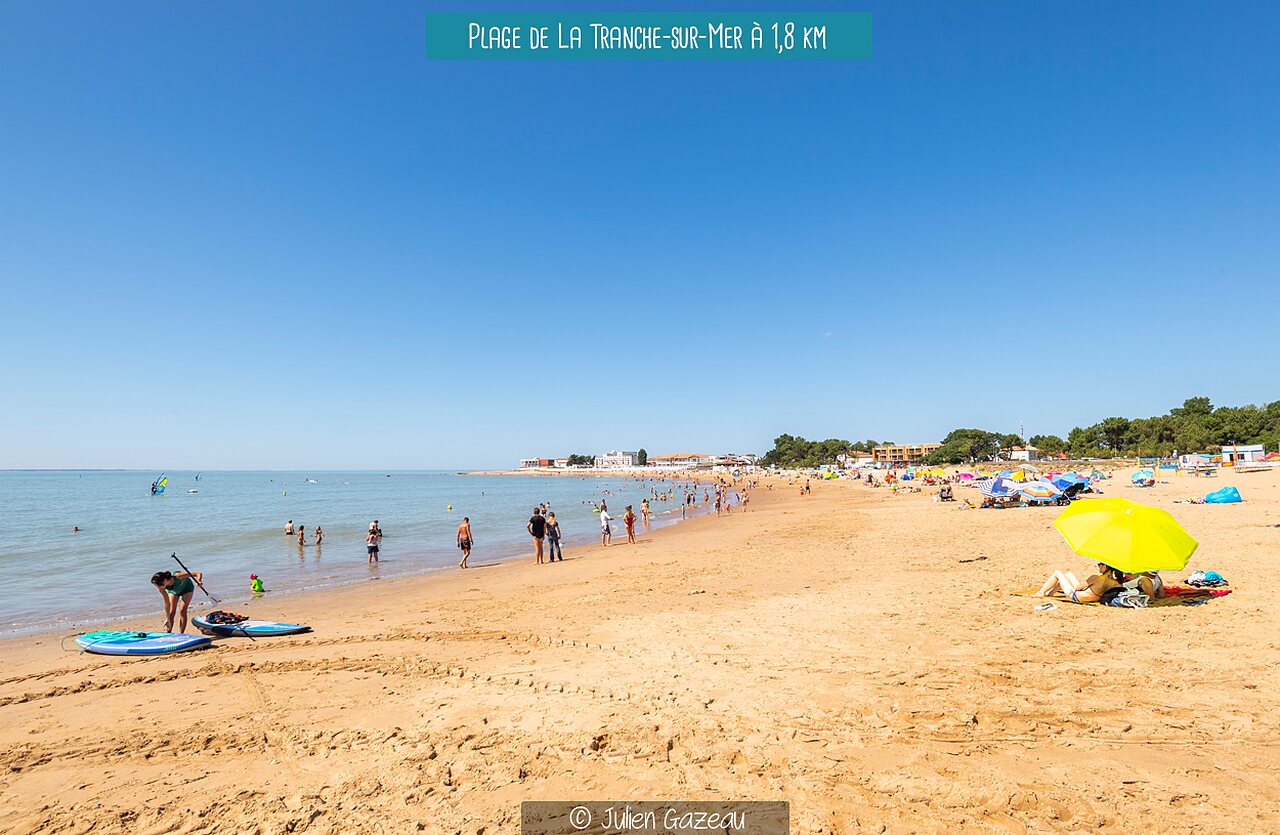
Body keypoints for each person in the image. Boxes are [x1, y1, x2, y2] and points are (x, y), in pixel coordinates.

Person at [1036, 563, 1125, 604]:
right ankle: (1051, 593)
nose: (1098, 566)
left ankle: (1041, 593)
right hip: (1092, 597)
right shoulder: (1115, 582)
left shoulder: (1096, 577)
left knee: (1057, 573)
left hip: (1075, 597)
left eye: (1099, 565)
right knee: (1069, 574)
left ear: (1105, 566)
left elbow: (1077, 588)